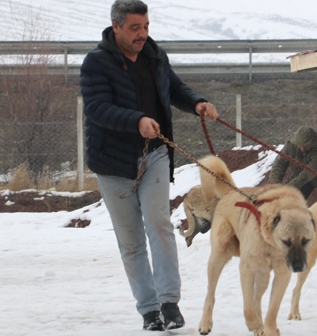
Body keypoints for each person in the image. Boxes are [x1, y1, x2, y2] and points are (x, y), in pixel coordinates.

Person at [79, 0, 218, 331]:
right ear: (116, 27)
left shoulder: (156, 56)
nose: (142, 34)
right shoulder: (96, 63)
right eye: (134, 28)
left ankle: (169, 302)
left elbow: (175, 88)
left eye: (146, 27)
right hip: (113, 165)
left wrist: (197, 101)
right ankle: (148, 310)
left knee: (159, 224)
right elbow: (97, 108)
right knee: (131, 241)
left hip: (154, 154)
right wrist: (137, 120)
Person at [268, 126, 317, 202]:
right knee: (293, 200)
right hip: (305, 170)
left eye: (306, 146)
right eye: (300, 146)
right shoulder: (292, 143)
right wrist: (275, 186)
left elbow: (307, 174)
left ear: (313, 143)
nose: (302, 149)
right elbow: (279, 163)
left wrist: (288, 188)